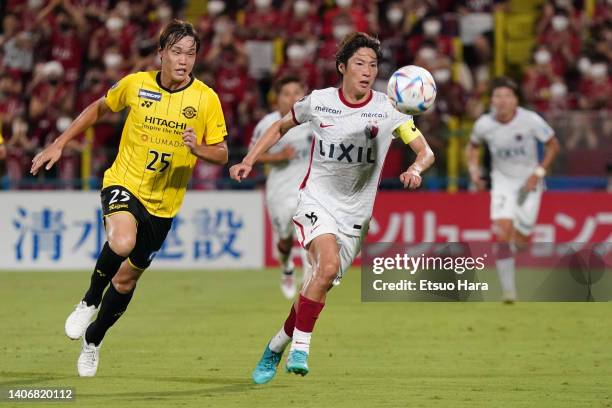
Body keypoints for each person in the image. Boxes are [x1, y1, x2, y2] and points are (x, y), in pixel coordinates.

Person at [230, 32, 434, 383]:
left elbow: (425, 151)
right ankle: (301, 349)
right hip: (317, 200)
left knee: (319, 282)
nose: (367, 71)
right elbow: (280, 126)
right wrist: (250, 158)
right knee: (323, 268)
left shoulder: (390, 108)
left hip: (356, 215)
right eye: (359, 63)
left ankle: (275, 346)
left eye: (373, 65)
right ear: (342, 67)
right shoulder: (320, 102)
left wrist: (415, 168)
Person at [30, 20, 229, 377]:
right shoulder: (136, 84)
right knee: (122, 240)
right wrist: (59, 142)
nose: (184, 61)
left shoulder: (205, 99)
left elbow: (222, 153)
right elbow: (99, 108)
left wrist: (198, 148)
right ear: (161, 53)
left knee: (125, 281)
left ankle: (94, 340)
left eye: (191, 53)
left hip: (164, 204)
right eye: (177, 52)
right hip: (124, 182)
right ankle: (88, 300)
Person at [466, 76, 560, 303]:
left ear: (516, 100)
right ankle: (509, 291)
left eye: (507, 96)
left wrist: (538, 173)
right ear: (492, 101)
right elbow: (473, 147)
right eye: (498, 96)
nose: (502, 101)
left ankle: (518, 242)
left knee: (521, 241)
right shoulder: (484, 124)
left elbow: (553, 146)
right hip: (502, 183)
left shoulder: (531, 120)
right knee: (502, 231)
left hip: (529, 183)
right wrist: (474, 172)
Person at [249, 76, 312, 299]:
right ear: (278, 98)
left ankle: (308, 283)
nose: (292, 97)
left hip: (308, 191)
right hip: (279, 191)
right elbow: (252, 156)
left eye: (297, 92)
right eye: (287, 93)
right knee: (285, 238)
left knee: (309, 233)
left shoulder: (312, 120)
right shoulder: (268, 124)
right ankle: (286, 267)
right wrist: (278, 156)